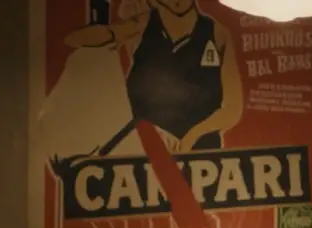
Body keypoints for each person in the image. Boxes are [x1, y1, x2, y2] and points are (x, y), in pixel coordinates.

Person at [61, 0, 244, 157]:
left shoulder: (218, 34)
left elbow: (233, 109)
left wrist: (193, 135)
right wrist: (108, 34)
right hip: (145, 150)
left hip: (202, 155)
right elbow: (75, 39)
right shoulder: (141, 25)